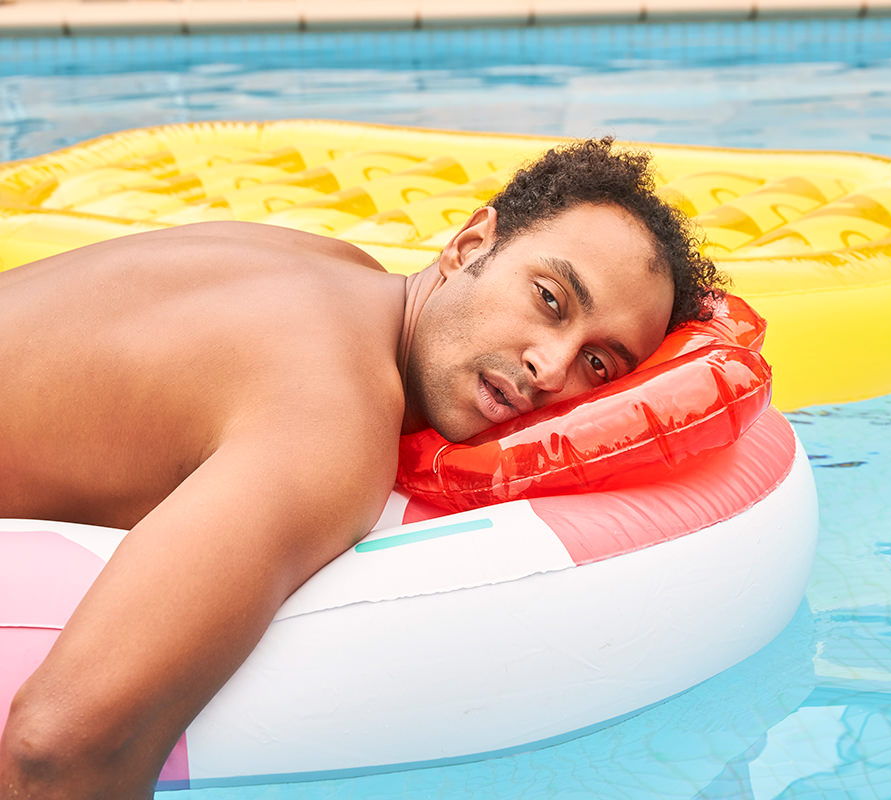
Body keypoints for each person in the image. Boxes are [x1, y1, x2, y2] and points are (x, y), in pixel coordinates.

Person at [0, 137, 725, 798]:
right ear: (471, 244)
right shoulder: (335, 423)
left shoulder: (330, 266)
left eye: (598, 365)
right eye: (549, 299)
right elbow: (58, 745)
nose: (550, 365)